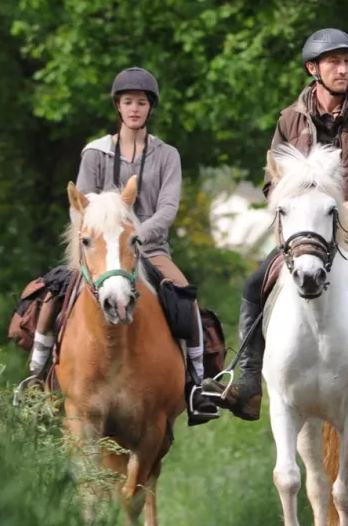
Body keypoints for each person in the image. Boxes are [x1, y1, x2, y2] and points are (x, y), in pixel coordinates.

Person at [206, 28, 348, 425]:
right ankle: (250, 381)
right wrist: (293, 202)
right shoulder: (289, 120)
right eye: (333, 62)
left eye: (347, 61)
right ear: (313, 69)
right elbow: (273, 181)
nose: (343, 69)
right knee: (255, 284)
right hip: (307, 237)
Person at [24, 66, 222, 419]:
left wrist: (135, 236)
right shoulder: (94, 154)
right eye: (128, 102)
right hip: (98, 251)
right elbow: (79, 206)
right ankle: (35, 378)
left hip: (149, 249)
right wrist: (96, 240)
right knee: (52, 296)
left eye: (141, 103)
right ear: (118, 106)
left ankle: (198, 383)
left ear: (150, 108)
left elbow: (168, 208)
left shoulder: (167, 156)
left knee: (184, 298)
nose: (134, 109)